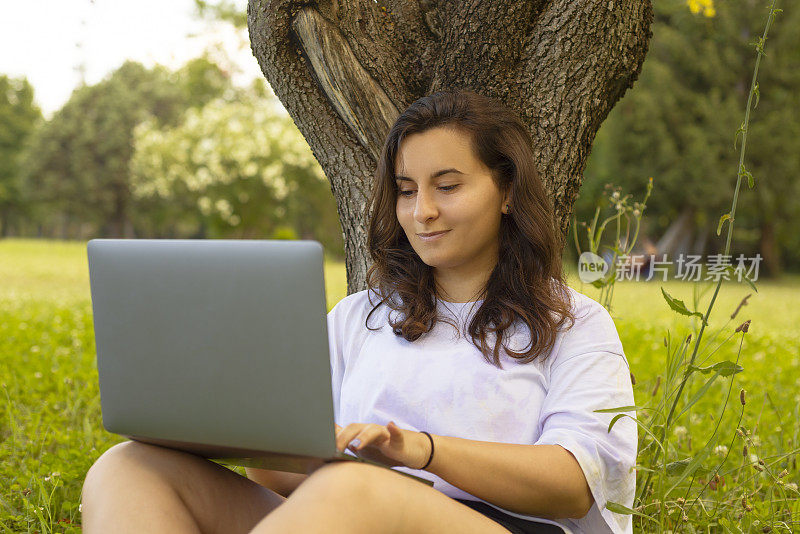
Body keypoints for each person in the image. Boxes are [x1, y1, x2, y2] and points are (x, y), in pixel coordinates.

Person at [80, 89, 637, 534]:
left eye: (447, 186)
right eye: (405, 190)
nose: (422, 212)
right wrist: (236, 431)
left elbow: (575, 481)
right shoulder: (359, 318)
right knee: (129, 468)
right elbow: (277, 473)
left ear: (507, 189)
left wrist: (423, 451)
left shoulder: (575, 324)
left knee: (355, 490)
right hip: (342, 512)